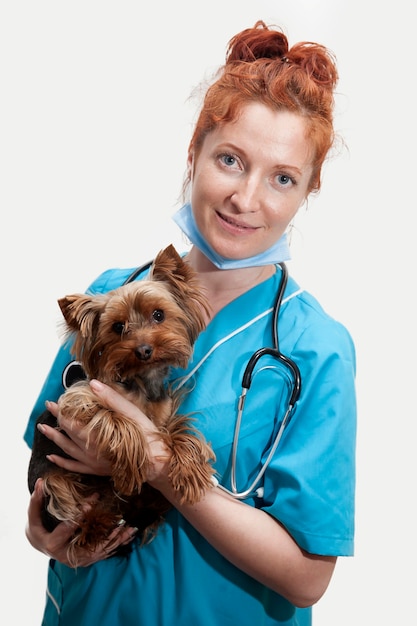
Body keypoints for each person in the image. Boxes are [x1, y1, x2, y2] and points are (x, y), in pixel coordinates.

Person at [24, 20, 356, 626]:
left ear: (309, 189)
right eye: (231, 160)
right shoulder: (107, 296)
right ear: (194, 152)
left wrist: (157, 465)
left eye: (282, 177)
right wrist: (44, 532)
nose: (246, 198)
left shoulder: (316, 348)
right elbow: (48, 463)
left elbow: (308, 579)